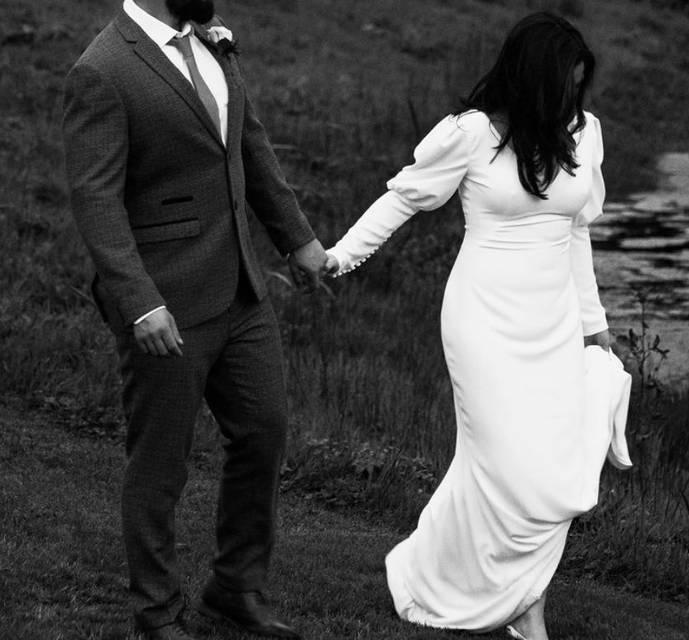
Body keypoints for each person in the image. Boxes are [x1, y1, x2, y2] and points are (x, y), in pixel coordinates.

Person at [325, 12, 627, 640]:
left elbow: (575, 237)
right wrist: (337, 259)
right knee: (500, 463)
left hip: (553, 323)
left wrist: (594, 328)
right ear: (533, 79)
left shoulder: (584, 133)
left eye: (579, 88)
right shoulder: (471, 134)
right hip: (483, 320)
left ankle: (449, 575)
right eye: (564, 87)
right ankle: (524, 607)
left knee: (548, 468)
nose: (573, 100)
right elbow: (402, 197)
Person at [62, 1, 326, 638]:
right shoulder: (102, 70)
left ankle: (235, 589)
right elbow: (95, 198)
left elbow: (250, 148)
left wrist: (299, 241)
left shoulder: (212, 44)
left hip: (242, 290)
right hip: (166, 303)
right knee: (160, 463)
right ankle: (157, 614)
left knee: (264, 433)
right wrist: (140, 303)